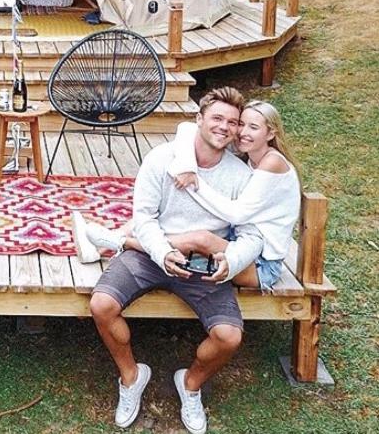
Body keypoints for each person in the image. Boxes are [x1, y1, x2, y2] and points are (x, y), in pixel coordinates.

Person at [86, 87, 262, 434]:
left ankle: (191, 384)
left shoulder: (240, 176)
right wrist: (163, 252)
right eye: (216, 118)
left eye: (232, 122)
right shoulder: (161, 159)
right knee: (101, 304)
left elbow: (252, 234)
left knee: (228, 337)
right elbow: (144, 218)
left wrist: (232, 258)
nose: (224, 127)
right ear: (198, 120)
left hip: (205, 264)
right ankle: (131, 376)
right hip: (154, 252)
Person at [75, 100, 301, 291]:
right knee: (148, 218)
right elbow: (186, 128)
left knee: (200, 238)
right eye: (241, 124)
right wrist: (187, 163)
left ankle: (121, 242)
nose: (242, 132)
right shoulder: (249, 152)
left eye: (254, 127)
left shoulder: (272, 162)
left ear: (270, 133)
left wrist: (195, 181)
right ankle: (103, 242)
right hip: (240, 241)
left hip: (261, 264)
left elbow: (238, 213)